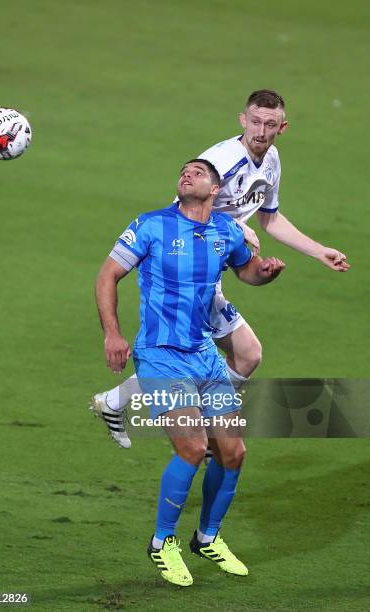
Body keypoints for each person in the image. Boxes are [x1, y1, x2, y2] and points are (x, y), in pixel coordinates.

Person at [91, 89, 350, 448]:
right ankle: (209, 436)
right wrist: (236, 227)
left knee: (246, 355)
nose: (260, 131)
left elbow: (270, 219)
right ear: (243, 120)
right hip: (186, 272)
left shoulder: (271, 160)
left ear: (282, 128)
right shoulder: (224, 160)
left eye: (269, 125)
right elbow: (182, 210)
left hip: (211, 271)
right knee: (230, 354)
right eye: (255, 122)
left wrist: (318, 251)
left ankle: (116, 403)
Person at [95, 158, 285, 586]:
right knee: (193, 448)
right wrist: (113, 334)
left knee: (233, 453)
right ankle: (163, 542)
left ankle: (207, 537)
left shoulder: (227, 232)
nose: (186, 174)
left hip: (204, 356)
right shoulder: (150, 225)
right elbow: (107, 275)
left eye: (198, 173)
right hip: (159, 355)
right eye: (183, 171)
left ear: (215, 190)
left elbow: (246, 270)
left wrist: (265, 273)